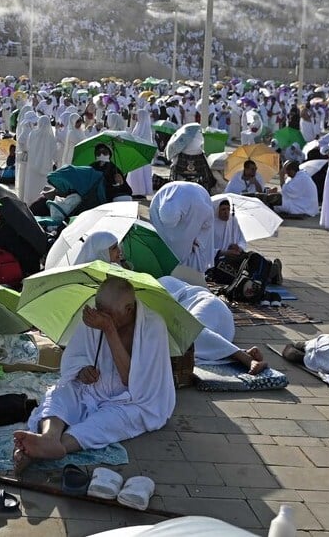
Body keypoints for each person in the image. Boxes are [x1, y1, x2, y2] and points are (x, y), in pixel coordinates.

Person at [13, 277, 173, 472]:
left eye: (108, 315)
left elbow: (132, 381)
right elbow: (74, 359)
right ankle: (48, 438)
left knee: (107, 422)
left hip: (133, 401)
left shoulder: (153, 327)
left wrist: (109, 330)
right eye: (98, 309)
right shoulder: (95, 315)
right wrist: (82, 371)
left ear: (128, 310)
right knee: (59, 393)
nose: (99, 317)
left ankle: (51, 448)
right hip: (92, 389)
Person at [159, 276, 266, 374]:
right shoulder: (162, 283)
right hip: (217, 325)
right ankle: (237, 353)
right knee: (186, 349)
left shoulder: (162, 283)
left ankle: (245, 358)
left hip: (207, 305)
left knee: (188, 335)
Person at [149, 181, 214, 273]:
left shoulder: (198, 207)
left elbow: (206, 224)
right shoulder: (170, 207)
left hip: (195, 199)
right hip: (195, 196)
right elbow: (169, 221)